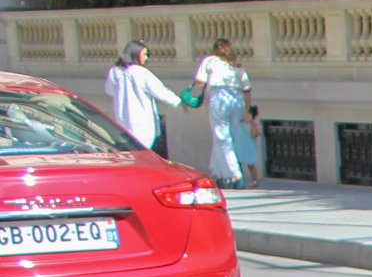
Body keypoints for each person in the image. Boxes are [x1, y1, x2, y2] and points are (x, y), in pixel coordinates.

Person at [102, 40, 188, 156]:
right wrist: (178, 102)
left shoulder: (114, 71)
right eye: (144, 54)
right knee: (141, 153)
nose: (146, 58)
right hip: (141, 122)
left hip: (122, 119)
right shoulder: (140, 72)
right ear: (135, 54)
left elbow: (109, 90)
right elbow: (160, 90)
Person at [194, 38, 253, 187]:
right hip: (237, 99)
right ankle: (218, 173)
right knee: (227, 139)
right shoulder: (236, 65)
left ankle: (234, 175)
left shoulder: (210, 60)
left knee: (221, 138)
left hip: (219, 97)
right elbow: (247, 87)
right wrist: (247, 108)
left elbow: (200, 81)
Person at [238, 104, 264, 187]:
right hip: (240, 145)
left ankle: (254, 180)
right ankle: (239, 180)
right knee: (238, 163)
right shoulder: (240, 123)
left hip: (249, 146)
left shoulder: (256, 125)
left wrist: (252, 124)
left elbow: (255, 135)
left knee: (251, 165)